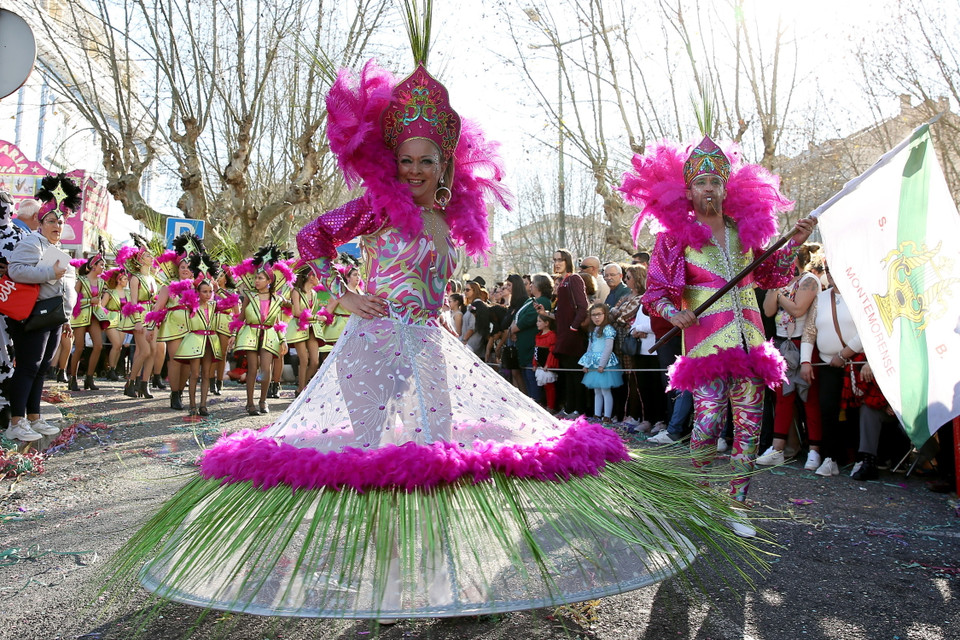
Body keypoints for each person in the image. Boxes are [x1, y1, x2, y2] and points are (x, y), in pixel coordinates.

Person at [111, 50, 764, 624]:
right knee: (377, 461)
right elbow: (311, 240)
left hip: (426, 344)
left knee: (436, 455)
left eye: (428, 159)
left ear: (444, 160)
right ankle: (392, 586)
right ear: (393, 161)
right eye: (408, 160)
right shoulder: (377, 205)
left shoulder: (445, 214)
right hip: (369, 351)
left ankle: (433, 579)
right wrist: (340, 292)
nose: (418, 169)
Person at [623, 135, 816, 522]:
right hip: (706, 346)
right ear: (688, 189)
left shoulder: (745, 230)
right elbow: (656, 291)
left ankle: (738, 505)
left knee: (748, 429)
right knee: (708, 424)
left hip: (752, 345)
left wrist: (794, 244)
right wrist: (671, 312)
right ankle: (701, 501)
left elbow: (771, 276)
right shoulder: (674, 237)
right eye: (701, 183)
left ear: (726, 187)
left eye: (715, 182)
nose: (709, 189)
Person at [4, 174, 77, 442]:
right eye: (51, 221)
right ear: (40, 223)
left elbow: (64, 288)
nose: (57, 225)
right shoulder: (31, 242)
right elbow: (16, 270)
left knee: (42, 367)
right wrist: (50, 272)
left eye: (60, 221)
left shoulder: (58, 247)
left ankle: (34, 417)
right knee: (28, 366)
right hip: (33, 314)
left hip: (54, 317)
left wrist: (67, 317)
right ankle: (16, 421)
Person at [756, 243, 824, 469]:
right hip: (781, 343)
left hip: (803, 343)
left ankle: (815, 450)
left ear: (794, 260)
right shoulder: (779, 282)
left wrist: (780, 295)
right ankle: (777, 449)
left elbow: (797, 310)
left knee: (809, 397)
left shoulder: (809, 280)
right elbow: (768, 311)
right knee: (783, 397)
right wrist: (776, 287)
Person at [796, 261, 864, 477]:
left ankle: (860, 458)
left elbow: (867, 330)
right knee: (828, 410)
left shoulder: (861, 297)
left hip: (855, 364)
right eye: (828, 271)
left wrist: (844, 354)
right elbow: (809, 331)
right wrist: (805, 361)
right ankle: (829, 458)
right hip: (826, 364)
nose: (831, 274)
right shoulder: (821, 298)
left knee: (856, 413)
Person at [229, 244, 292, 415]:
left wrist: (283, 339)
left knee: (266, 369)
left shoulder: (277, 299)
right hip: (250, 333)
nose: (257, 281)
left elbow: (278, 321)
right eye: (256, 278)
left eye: (261, 278)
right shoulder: (249, 296)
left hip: (270, 334)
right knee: (252, 367)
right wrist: (234, 334)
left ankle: (263, 401)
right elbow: (240, 318)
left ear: (269, 281)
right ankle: (250, 404)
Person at [541, 248, 588, 417]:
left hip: (572, 337)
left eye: (560, 259)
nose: (557, 263)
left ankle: (578, 409)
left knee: (575, 374)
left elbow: (583, 307)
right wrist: (546, 314)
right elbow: (563, 313)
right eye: (554, 260)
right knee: (567, 374)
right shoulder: (561, 282)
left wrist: (573, 328)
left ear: (568, 261)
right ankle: (569, 407)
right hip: (563, 335)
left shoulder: (574, 279)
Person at [174, 273, 221, 417]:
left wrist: (219, 290)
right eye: (204, 291)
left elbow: (232, 303)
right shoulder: (191, 306)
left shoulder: (214, 306)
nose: (208, 294)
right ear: (198, 293)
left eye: (210, 291)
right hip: (195, 340)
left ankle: (203, 405)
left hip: (210, 342)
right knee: (194, 373)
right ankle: (192, 404)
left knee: (207, 374)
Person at [117, 235, 157, 399]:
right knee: (144, 351)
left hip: (152, 316)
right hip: (140, 316)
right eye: (147, 255)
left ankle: (144, 384)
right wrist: (138, 322)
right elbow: (133, 301)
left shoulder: (152, 278)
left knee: (153, 351)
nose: (151, 257)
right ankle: (130, 382)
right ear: (140, 259)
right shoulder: (135, 279)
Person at [67, 241, 109, 391]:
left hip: (94, 316)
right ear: (93, 265)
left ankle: (89, 378)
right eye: (102, 265)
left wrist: (100, 303)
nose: (104, 268)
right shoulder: (81, 280)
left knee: (98, 345)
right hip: (80, 316)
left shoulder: (102, 282)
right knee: (79, 348)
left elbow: (101, 301)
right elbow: (73, 299)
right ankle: (72, 378)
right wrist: (89, 300)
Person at [512, 272, 552, 403]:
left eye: (533, 283)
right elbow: (519, 316)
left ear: (540, 286)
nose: (531, 285)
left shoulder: (542, 301)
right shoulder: (531, 300)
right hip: (523, 345)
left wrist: (514, 329)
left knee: (531, 376)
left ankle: (537, 403)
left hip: (532, 344)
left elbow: (528, 318)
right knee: (526, 375)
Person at [580, 302, 623, 423]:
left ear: (605, 314)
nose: (596, 317)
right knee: (596, 390)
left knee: (605, 390)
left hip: (604, 363)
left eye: (599, 314)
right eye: (593, 315)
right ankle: (597, 414)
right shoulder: (593, 330)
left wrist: (602, 364)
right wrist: (586, 364)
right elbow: (590, 348)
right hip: (593, 363)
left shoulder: (608, 329)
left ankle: (607, 416)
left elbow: (608, 348)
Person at [286, 265, 324, 396]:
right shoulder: (296, 292)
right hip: (298, 327)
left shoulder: (314, 293)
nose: (319, 278)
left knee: (315, 361)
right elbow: (296, 312)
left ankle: (303, 387)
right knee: (304, 360)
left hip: (312, 328)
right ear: (310, 277)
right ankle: (301, 391)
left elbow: (316, 310)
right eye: (317, 275)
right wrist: (315, 317)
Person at [99, 267, 129, 381]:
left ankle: (113, 369)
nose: (126, 281)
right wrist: (105, 317)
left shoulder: (127, 293)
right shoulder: (109, 293)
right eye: (125, 279)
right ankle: (111, 369)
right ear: (118, 280)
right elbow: (101, 306)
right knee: (116, 345)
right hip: (111, 320)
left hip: (123, 321)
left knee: (119, 347)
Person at [532, 313, 558, 411]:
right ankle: (545, 404)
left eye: (539, 321)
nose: (537, 323)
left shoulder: (552, 335)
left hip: (547, 366)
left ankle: (551, 406)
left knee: (550, 386)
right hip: (540, 365)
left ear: (546, 323)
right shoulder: (538, 336)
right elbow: (536, 350)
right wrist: (535, 363)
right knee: (543, 386)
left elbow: (552, 351)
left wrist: (548, 364)